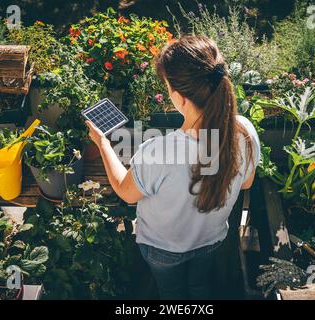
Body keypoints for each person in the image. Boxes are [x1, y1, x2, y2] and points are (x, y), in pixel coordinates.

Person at [85, 35, 260, 299]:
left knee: (172, 293)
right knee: (200, 286)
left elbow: (126, 191)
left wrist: (103, 144)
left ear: (179, 98)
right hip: (211, 241)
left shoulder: (158, 151)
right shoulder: (245, 131)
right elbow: (246, 183)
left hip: (162, 249)